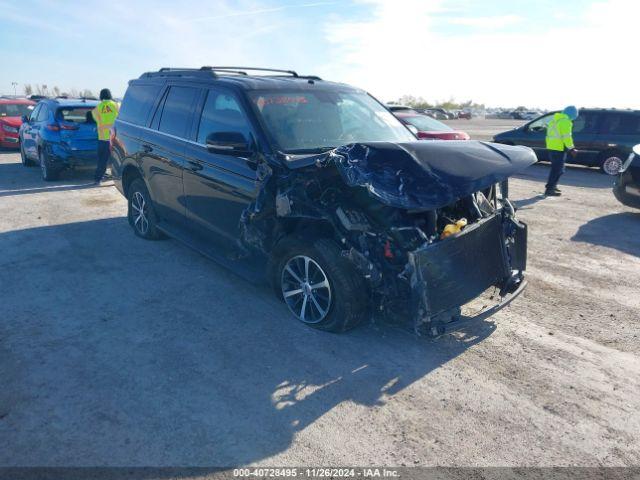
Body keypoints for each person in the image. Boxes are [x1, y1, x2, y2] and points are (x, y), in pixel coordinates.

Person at [544, 105, 578, 196]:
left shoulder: (554, 120)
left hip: (552, 147)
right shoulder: (565, 122)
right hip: (558, 148)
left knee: (557, 169)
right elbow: (567, 137)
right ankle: (550, 189)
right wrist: (572, 148)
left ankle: (552, 186)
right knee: (557, 170)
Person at [91, 88, 119, 185]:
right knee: (117, 160)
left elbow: (96, 120)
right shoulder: (116, 105)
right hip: (115, 138)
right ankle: (118, 180)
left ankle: (97, 180)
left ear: (101, 96)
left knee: (102, 161)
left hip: (103, 139)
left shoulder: (97, 108)